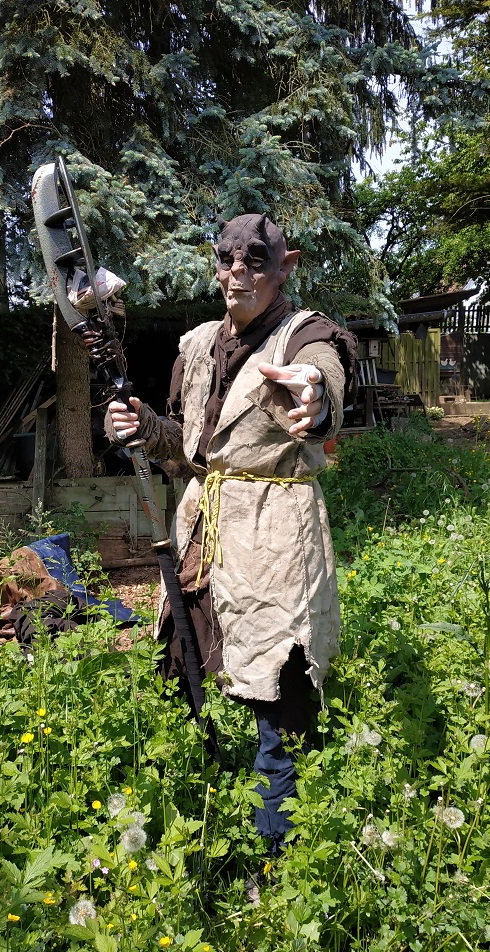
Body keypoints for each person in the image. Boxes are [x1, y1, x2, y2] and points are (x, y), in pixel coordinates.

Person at [105, 213, 357, 859]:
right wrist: (143, 426)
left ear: (285, 267)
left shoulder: (304, 335)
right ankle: (198, 818)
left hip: (275, 534)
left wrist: (316, 398)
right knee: (185, 665)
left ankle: (275, 856)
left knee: (278, 687)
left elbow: (323, 374)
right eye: (227, 259)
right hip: (202, 529)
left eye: (255, 260)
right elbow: (185, 445)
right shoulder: (197, 344)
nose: (238, 272)